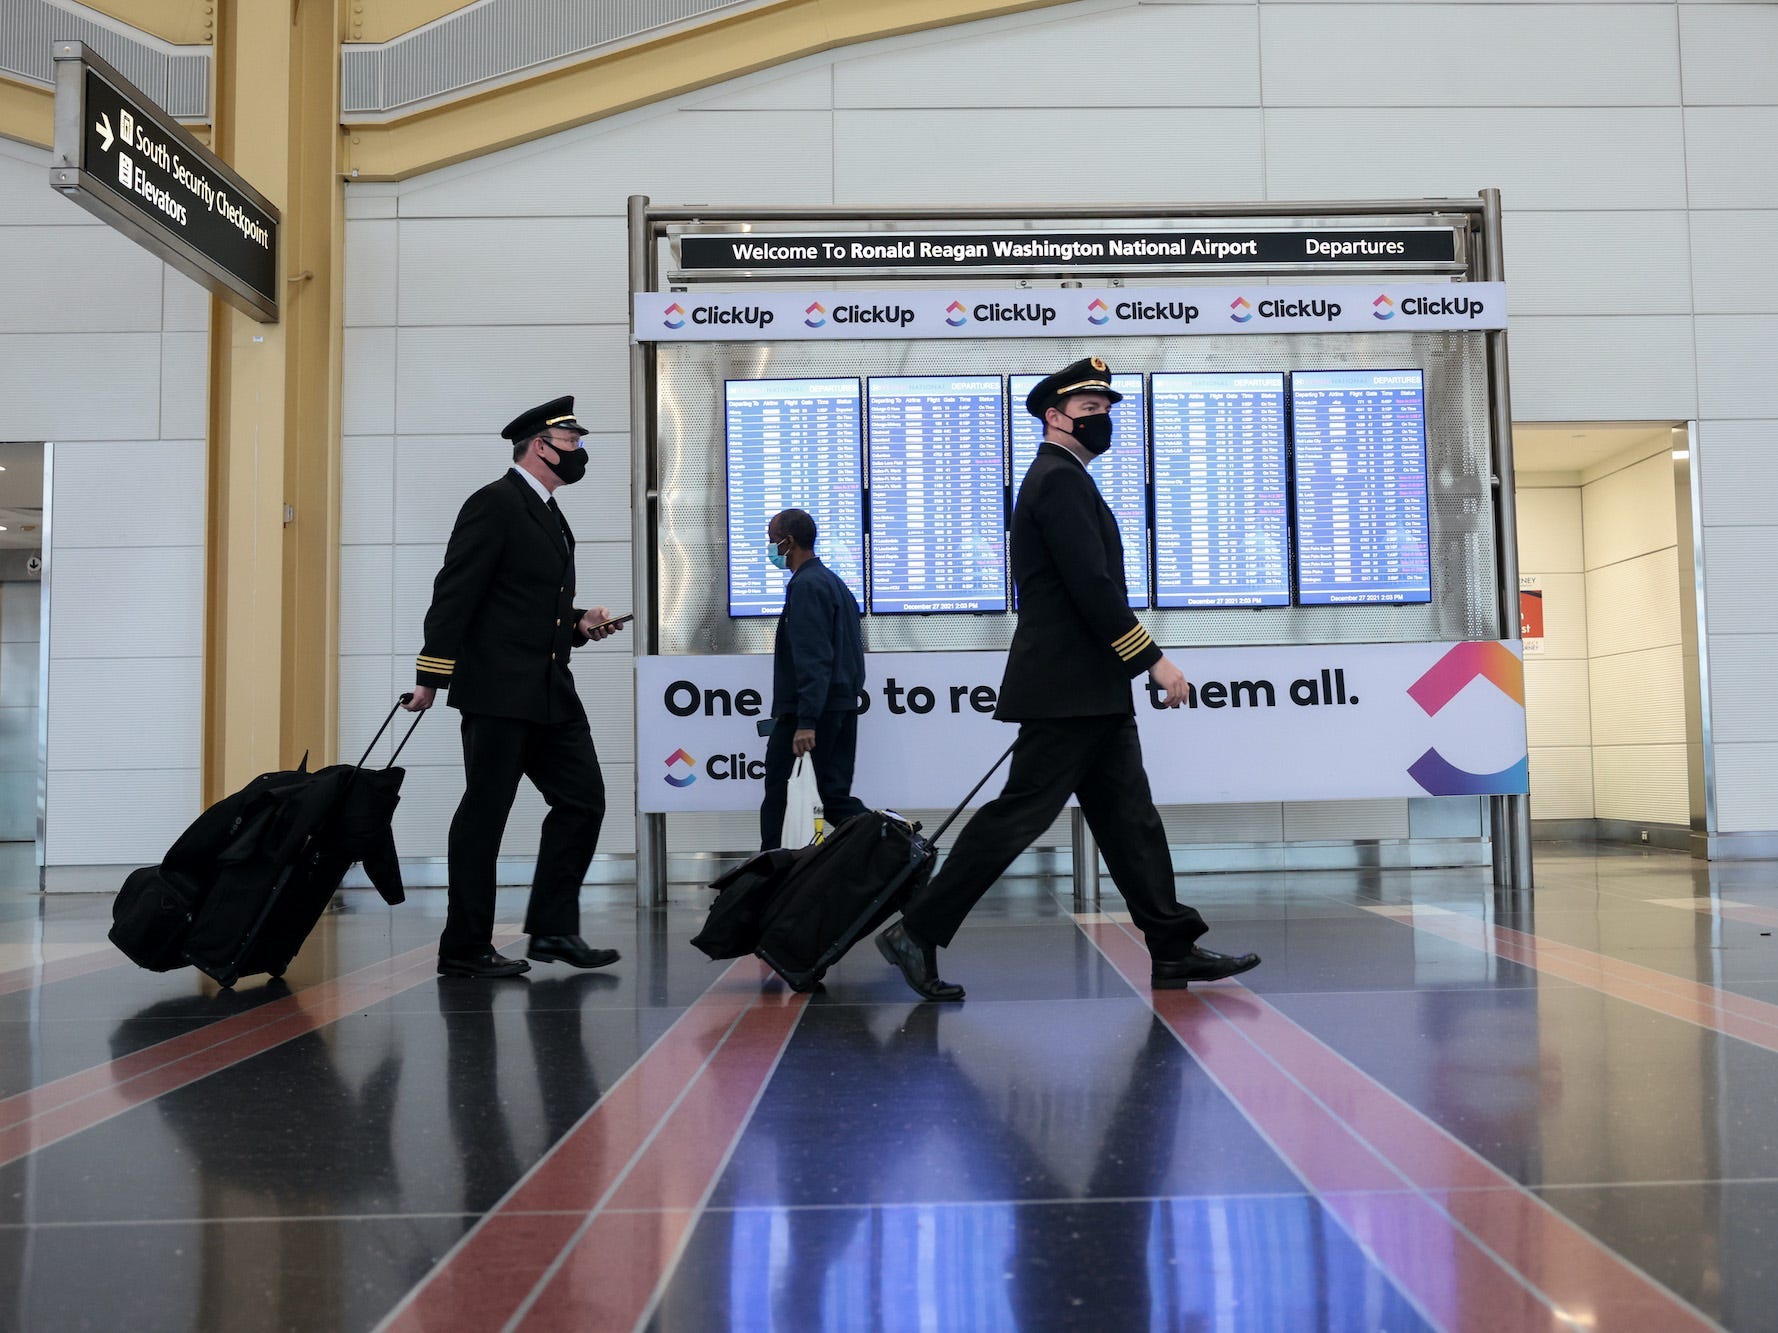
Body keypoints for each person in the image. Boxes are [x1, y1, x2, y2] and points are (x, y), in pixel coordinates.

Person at [876, 358, 1260, 1001]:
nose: (1101, 417)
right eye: (1087, 408)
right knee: (1017, 817)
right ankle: (916, 930)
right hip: (1068, 690)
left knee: (1130, 820)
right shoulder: (1057, 481)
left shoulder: (1066, 479)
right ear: (1054, 416)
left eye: (1106, 408)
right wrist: (1152, 660)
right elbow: (1092, 588)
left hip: (1089, 690)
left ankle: (1171, 947)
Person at [401, 395, 627, 978]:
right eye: (572, 442)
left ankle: (552, 929)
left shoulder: (548, 512)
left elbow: (525, 601)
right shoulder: (494, 504)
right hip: (498, 692)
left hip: (548, 688)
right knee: (486, 813)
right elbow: (455, 593)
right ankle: (464, 946)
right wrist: (431, 676)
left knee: (583, 801)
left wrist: (577, 622)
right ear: (538, 446)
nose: (581, 452)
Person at [758, 508, 868, 849]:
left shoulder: (806, 586)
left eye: (772, 541)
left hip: (811, 716)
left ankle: (771, 879)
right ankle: (891, 840)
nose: (771, 549)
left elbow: (813, 658)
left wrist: (806, 721)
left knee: (780, 796)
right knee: (833, 797)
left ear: (788, 542)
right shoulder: (834, 584)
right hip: (840, 708)